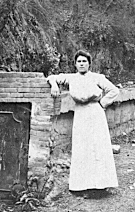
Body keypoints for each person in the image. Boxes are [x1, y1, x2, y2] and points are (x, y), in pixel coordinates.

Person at [47, 49, 120, 194]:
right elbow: (51, 77)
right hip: (80, 113)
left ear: (89, 64)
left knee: (97, 147)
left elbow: (114, 90)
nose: (81, 64)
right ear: (75, 64)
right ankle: (81, 186)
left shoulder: (97, 77)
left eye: (84, 61)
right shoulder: (71, 78)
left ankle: (100, 185)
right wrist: (54, 85)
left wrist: (102, 104)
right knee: (82, 147)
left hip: (95, 113)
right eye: (79, 61)